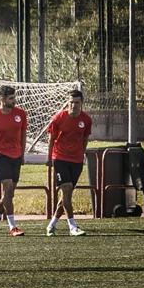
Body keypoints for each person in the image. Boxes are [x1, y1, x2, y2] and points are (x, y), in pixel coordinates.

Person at [46, 90, 92, 237]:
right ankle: (72, 226)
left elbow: (85, 139)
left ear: (81, 103)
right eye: (71, 102)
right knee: (66, 189)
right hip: (60, 158)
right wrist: (49, 158)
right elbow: (51, 139)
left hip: (76, 161)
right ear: (68, 103)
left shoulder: (86, 120)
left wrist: (81, 155)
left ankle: (51, 225)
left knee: (66, 196)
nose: (73, 105)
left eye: (76, 102)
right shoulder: (59, 118)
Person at [0, 85, 27, 237]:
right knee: (8, 189)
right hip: (1, 156)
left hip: (16, 156)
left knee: (9, 194)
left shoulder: (20, 114)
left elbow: (23, 134)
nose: (13, 101)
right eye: (10, 98)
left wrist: (22, 154)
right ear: (2, 99)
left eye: (14, 98)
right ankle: (12, 226)